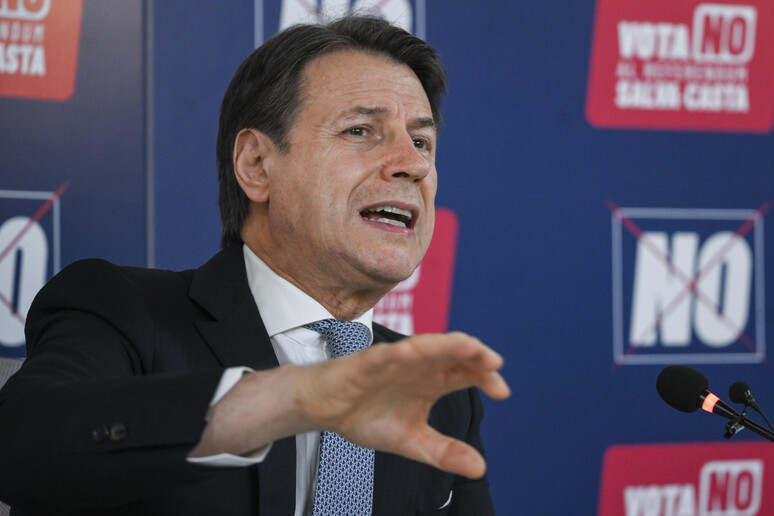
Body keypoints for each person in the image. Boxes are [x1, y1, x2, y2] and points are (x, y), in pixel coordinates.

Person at [0, 15, 509, 515]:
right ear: (257, 165)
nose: (414, 164)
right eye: (360, 130)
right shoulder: (123, 311)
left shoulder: (440, 398)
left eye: (421, 142)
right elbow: (19, 448)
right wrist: (292, 398)